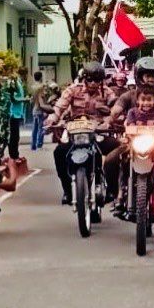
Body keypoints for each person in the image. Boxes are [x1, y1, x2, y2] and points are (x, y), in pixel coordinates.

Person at [47, 61, 119, 204]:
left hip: (98, 132)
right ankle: (67, 190)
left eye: (97, 80)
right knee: (59, 153)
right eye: (90, 79)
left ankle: (112, 189)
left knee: (118, 148)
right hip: (75, 133)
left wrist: (110, 121)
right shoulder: (72, 90)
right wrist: (52, 119)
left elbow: (116, 108)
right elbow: (59, 107)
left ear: (102, 80)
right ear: (84, 78)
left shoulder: (108, 92)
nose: (93, 83)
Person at [2, 67, 30, 160]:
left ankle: (14, 154)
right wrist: (24, 99)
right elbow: (13, 99)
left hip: (17, 113)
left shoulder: (19, 83)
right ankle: (13, 155)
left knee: (15, 136)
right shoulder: (15, 83)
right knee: (13, 136)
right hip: (13, 113)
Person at [29, 71, 49, 151]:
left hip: (34, 109)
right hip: (41, 109)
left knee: (35, 128)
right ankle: (39, 144)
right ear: (41, 77)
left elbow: (31, 100)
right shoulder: (42, 87)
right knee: (41, 128)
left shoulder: (32, 87)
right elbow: (43, 98)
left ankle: (33, 145)